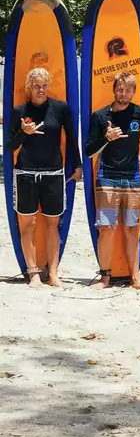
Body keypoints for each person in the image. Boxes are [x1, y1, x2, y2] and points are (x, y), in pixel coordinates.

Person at [84, 71, 140, 290]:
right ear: (114, 90)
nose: (123, 93)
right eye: (120, 89)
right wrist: (106, 138)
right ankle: (105, 277)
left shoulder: (139, 113)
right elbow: (89, 151)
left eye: (128, 90)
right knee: (107, 228)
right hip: (107, 178)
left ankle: (135, 277)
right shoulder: (100, 116)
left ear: (133, 91)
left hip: (133, 179)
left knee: (131, 229)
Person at [5, 68, 82, 287]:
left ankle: (54, 273)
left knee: (52, 225)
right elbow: (10, 146)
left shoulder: (60, 109)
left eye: (44, 86)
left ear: (49, 86)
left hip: (53, 173)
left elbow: (72, 136)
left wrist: (77, 165)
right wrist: (23, 133)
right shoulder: (19, 111)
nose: (41, 90)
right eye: (37, 86)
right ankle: (33, 273)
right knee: (28, 225)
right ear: (29, 87)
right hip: (26, 173)